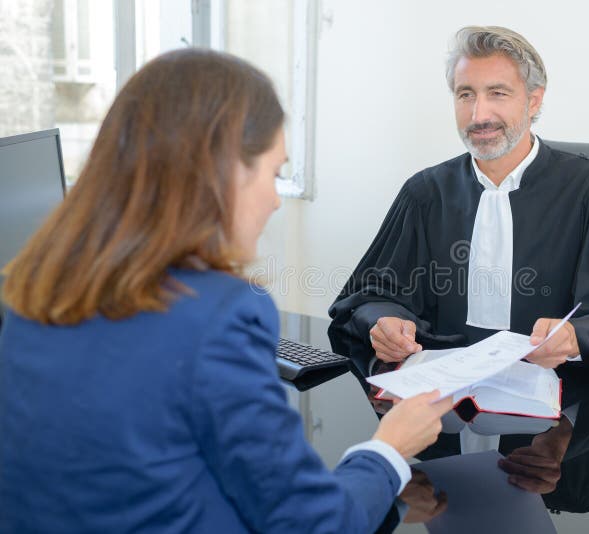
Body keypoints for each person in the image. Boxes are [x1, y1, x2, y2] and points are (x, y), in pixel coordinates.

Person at [0, 49, 452, 534]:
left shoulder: (31, 288)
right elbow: (313, 523)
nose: (276, 199)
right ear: (222, 171)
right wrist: (388, 450)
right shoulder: (219, 312)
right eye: (273, 173)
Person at [329, 26, 589, 377]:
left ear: (534, 100)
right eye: (466, 95)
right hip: (441, 402)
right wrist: (385, 321)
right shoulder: (425, 194)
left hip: (562, 407)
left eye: (497, 93)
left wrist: (575, 336)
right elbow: (368, 296)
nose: (479, 115)